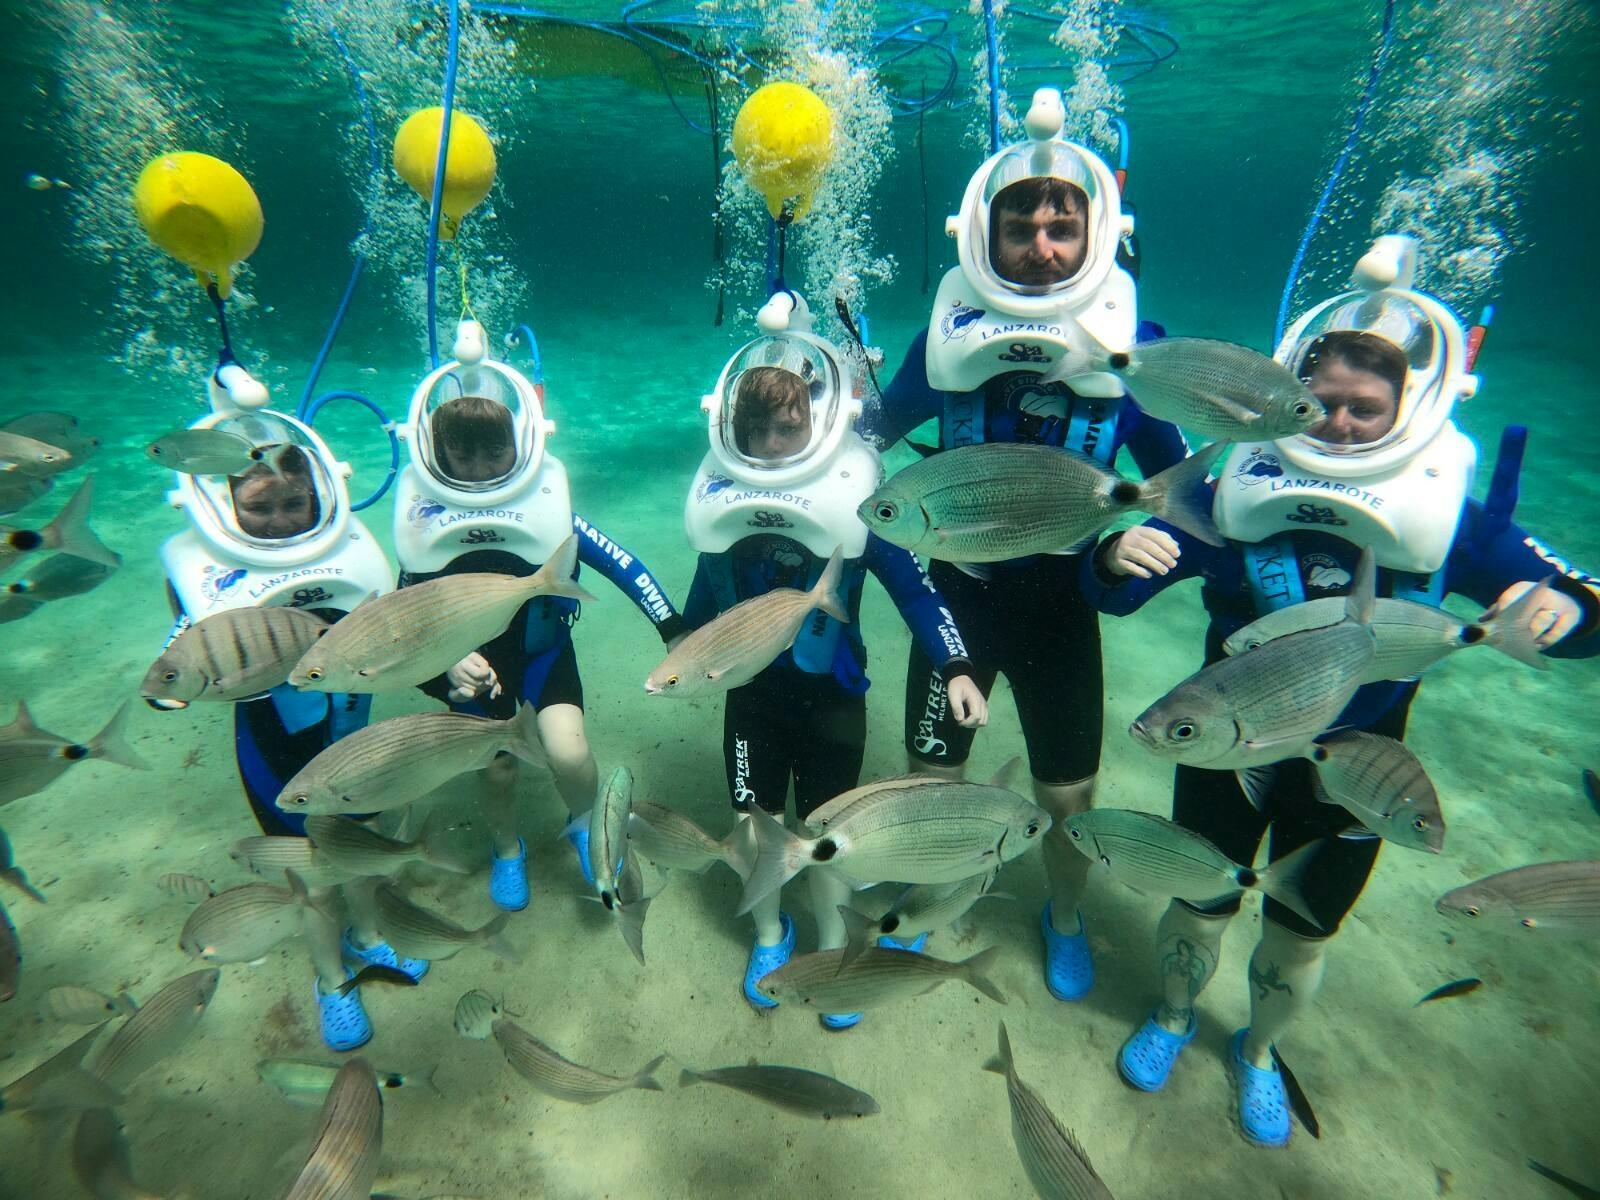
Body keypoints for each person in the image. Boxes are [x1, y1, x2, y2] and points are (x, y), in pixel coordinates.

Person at [1080, 240, 1600, 1147]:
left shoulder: (1449, 514)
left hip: (1357, 771)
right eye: (1325, 406)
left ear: (1409, 411)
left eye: (1369, 410)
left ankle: (1258, 1053)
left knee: (1300, 931)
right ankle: (1171, 1016)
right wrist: (1114, 554)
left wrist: (1558, 607)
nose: (1343, 426)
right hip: (1223, 745)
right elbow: (1119, 590)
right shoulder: (1246, 483)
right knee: (1198, 897)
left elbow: (1586, 608)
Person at [858, 86, 1190, 1002]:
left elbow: (1187, 499)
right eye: (1021, 227)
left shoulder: (1137, 349)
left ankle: (1066, 913)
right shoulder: (941, 344)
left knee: (1067, 798)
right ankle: (934, 904)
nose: (1042, 246)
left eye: (1062, 224)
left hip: (1059, 604)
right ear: (984, 240)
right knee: (932, 774)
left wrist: (1119, 561)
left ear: (1097, 235)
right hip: (960, 599)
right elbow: (865, 449)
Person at [682, 293, 988, 1029]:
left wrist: (957, 667)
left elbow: (916, 589)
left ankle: (828, 944)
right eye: (755, 428)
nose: (771, 442)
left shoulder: (854, 500)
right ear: (730, 427)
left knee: (824, 833)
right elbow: (699, 609)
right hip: (751, 695)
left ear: (817, 425)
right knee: (754, 818)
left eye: (788, 428)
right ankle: (767, 932)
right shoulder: (725, 501)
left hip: (832, 698)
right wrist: (683, 648)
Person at [392, 322, 685, 913]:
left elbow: (621, 562)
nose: (477, 467)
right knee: (496, 769)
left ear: (521, 441)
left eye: (492, 450)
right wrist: (447, 662)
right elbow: (404, 616)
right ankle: (507, 847)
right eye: (461, 453)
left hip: (544, 649)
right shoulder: (423, 515)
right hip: (473, 668)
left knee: (569, 753)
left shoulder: (545, 503)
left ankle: (584, 825)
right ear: (436, 451)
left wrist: (671, 626)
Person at [148, 393, 404, 1053]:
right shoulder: (199, 571)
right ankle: (331, 981)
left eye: (295, 504)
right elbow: (181, 650)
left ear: (322, 496)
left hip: (357, 745)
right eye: (257, 507)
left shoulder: (354, 553)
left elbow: (391, 634)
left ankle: (370, 937)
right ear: (219, 505)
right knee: (314, 875)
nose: (278, 521)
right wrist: (169, 688)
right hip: (276, 760)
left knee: (368, 853)